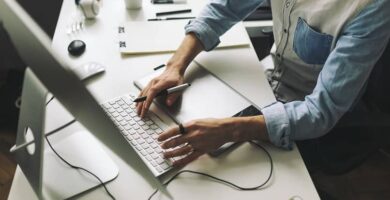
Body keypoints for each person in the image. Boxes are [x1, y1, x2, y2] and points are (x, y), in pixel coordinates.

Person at [136, 0, 390, 167]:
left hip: (312, 119)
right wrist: (175, 66)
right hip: (267, 83)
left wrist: (229, 130)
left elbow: (321, 112)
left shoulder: (372, 8)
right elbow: (224, 9)